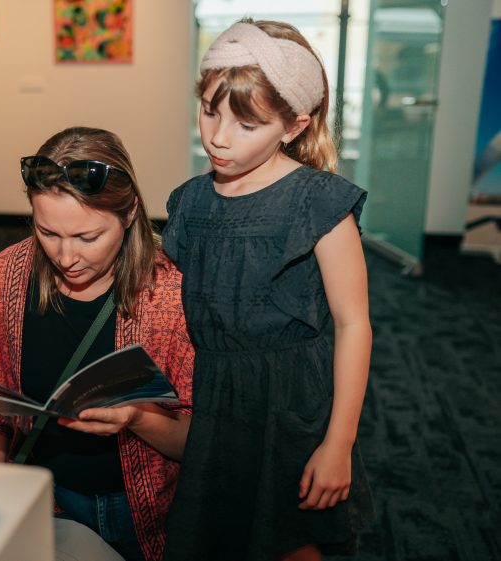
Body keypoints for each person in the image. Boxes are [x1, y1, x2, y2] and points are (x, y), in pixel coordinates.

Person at [161, 19, 374, 561]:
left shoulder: (318, 204)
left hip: (291, 408)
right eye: (210, 111)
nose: (218, 136)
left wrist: (339, 444)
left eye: (246, 123)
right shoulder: (189, 201)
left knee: (290, 543)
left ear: (293, 126)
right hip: (213, 403)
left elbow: (354, 325)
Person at [0, 126, 194, 561]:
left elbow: (199, 442)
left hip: (144, 512)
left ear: (129, 215)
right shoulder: (7, 274)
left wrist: (137, 418)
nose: (66, 257)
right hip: (43, 496)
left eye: (88, 237)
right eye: (47, 232)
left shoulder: (170, 292)